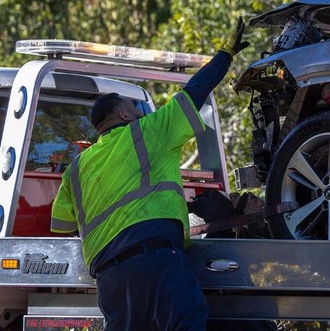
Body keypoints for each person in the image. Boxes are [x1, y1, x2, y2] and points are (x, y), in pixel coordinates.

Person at [50, 18, 250, 330]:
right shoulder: (147, 132)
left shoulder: (76, 168)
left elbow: (62, 227)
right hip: (156, 260)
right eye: (133, 105)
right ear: (123, 114)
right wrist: (225, 54)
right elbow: (195, 90)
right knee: (187, 322)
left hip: (111, 278)